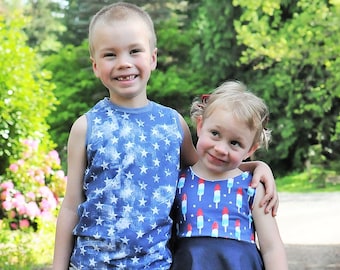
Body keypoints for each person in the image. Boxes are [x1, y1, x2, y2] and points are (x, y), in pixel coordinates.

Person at [52, 3, 279, 269]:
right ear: (95, 65)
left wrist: (255, 166)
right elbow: (71, 206)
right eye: (110, 55)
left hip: (155, 264)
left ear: (152, 58)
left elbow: (206, 169)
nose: (124, 63)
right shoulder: (85, 127)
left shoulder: (172, 123)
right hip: (92, 262)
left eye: (134, 51)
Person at [171, 81, 288, 270]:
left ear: (250, 149)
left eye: (234, 143)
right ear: (200, 125)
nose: (220, 149)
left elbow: (272, 248)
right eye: (215, 133)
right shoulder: (179, 182)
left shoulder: (252, 186)